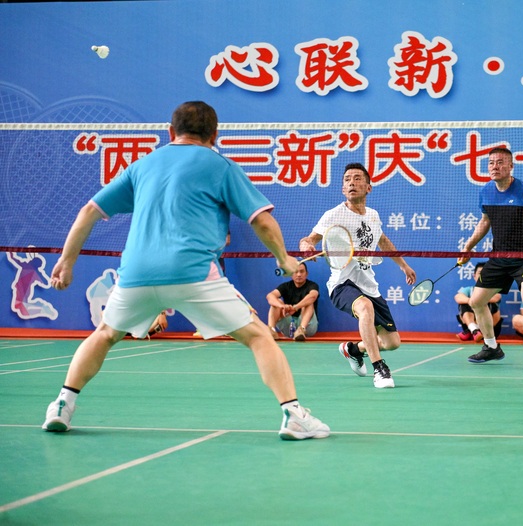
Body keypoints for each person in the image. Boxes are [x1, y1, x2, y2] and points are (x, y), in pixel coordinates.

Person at [42, 101, 329, 440]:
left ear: (170, 132)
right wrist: (284, 259)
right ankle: (294, 415)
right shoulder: (220, 166)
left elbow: (89, 211)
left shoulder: (142, 165)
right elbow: (262, 221)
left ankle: (62, 405)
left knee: (104, 334)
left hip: (136, 274)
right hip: (193, 273)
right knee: (258, 336)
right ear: (215, 135)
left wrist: (67, 261)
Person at [299, 162, 416, 388]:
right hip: (342, 283)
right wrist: (306, 247)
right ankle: (379, 368)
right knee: (365, 307)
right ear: (343, 189)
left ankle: (354, 349)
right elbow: (309, 239)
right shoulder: (334, 215)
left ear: (368, 187)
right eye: (347, 180)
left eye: (357, 178)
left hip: (368, 284)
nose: (351, 183)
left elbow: (382, 240)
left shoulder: (373, 215)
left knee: (392, 342)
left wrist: (403, 265)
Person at [457, 146, 523, 370]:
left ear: (511, 166)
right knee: (476, 301)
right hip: (499, 257)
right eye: (491, 163)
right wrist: (468, 247)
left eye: (500, 162)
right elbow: (485, 222)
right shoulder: (486, 191)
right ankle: (491, 347)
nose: (495, 166)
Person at [266, 262, 320, 341]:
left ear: (306, 274)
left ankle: (301, 330)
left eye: (302, 271)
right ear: (291, 274)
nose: (299, 274)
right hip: (289, 326)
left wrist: (295, 307)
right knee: (276, 302)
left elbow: (313, 296)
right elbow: (270, 296)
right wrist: (282, 306)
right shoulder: (285, 286)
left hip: (308, 326)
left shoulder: (312, 285)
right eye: (295, 272)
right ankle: (272, 331)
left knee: (308, 302)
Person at [455, 262, 502, 342]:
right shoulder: (468, 289)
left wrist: (476, 301)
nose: (482, 276)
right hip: (473, 327)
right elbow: (458, 297)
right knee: (464, 304)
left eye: (485, 273)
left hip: (491, 329)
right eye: (480, 273)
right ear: (474, 276)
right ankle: (474, 330)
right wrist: (470, 301)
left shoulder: (493, 290)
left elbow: (496, 297)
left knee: (490, 304)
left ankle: (473, 330)